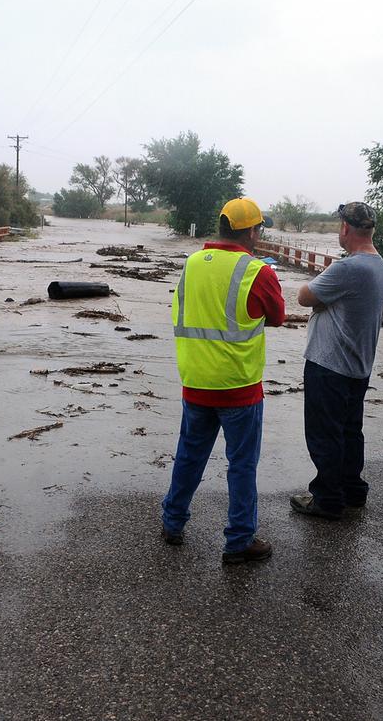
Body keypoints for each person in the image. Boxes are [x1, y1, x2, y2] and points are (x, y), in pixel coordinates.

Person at [161, 197, 286, 564]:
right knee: (242, 465)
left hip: (196, 381)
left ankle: (172, 522)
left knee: (189, 455)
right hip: (239, 388)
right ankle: (239, 541)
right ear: (251, 231)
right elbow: (277, 316)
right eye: (259, 229)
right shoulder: (257, 271)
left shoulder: (192, 263)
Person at [289, 202, 383, 520]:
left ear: (345, 228)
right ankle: (352, 490)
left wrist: (322, 301)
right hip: (359, 364)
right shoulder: (381, 266)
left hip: (329, 364)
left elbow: (305, 296)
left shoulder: (349, 268)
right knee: (350, 430)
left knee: (324, 432)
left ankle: (327, 498)